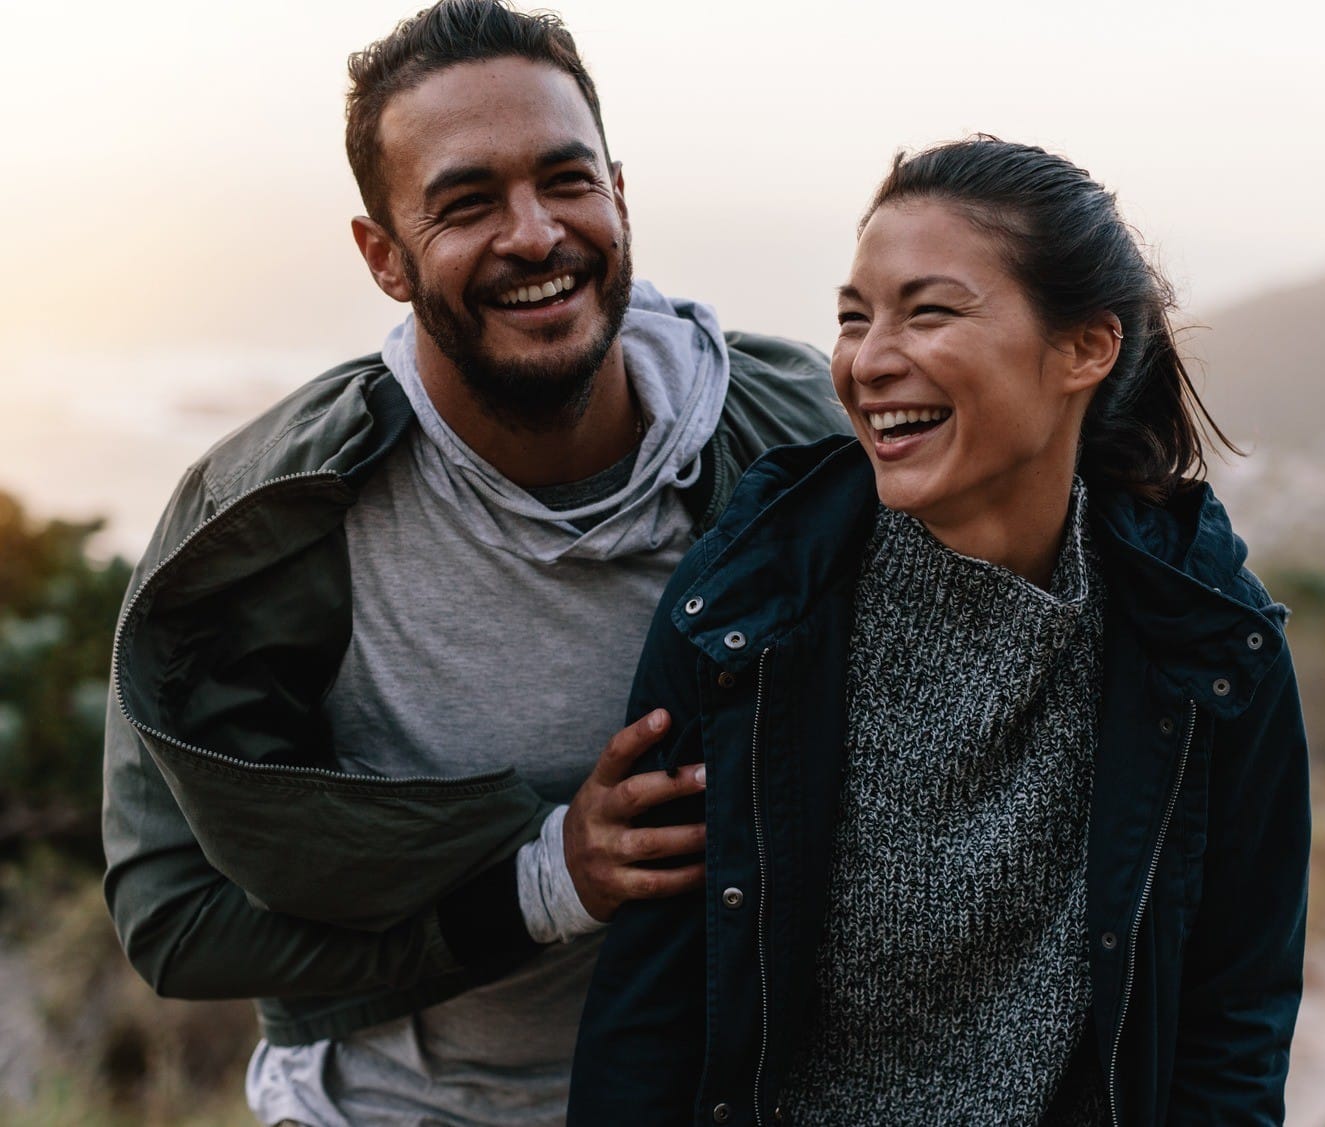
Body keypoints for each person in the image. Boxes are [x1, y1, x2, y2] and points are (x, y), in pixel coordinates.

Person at [100, 2, 846, 1124]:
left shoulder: (802, 434)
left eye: (567, 180)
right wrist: (545, 883)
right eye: (465, 203)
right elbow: (173, 915)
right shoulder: (257, 520)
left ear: (619, 194)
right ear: (383, 257)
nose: (536, 233)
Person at [568, 137, 1310, 1126]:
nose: (870, 360)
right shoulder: (745, 610)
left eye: (928, 311)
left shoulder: (1211, 647)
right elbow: (649, 1019)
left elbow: (1231, 1026)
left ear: (1084, 348)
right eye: (852, 316)